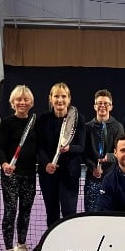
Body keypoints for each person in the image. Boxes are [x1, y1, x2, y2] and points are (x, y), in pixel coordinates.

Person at [0, 85, 37, 251]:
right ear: (12, 102)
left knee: (25, 211)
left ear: (31, 103)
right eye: (18, 99)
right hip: (10, 175)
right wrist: (4, 163)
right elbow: (0, 148)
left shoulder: (35, 124)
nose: (22, 102)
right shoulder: (5, 124)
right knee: (10, 211)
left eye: (25, 99)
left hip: (30, 174)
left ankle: (21, 246)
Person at [35, 82, 86, 227]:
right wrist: (46, 164)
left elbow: (81, 147)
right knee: (52, 212)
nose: (60, 100)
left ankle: (69, 241)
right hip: (48, 174)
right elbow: (39, 147)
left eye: (63, 96)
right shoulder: (42, 119)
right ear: (50, 98)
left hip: (70, 173)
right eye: (56, 96)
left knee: (69, 212)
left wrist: (69, 148)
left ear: (69, 99)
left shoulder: (79, 119)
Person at [82, 90, 124, 212]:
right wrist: (93, 167)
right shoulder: (87, 128)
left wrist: (109, 157)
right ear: (95, 106)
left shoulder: (118, 127)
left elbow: (120, 152)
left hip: (113, 180)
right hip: (92, 181)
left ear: (111, 106)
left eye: (106, 103)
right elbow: (84, 153)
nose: (102, 106)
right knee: (91, 216)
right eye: (99, 103)